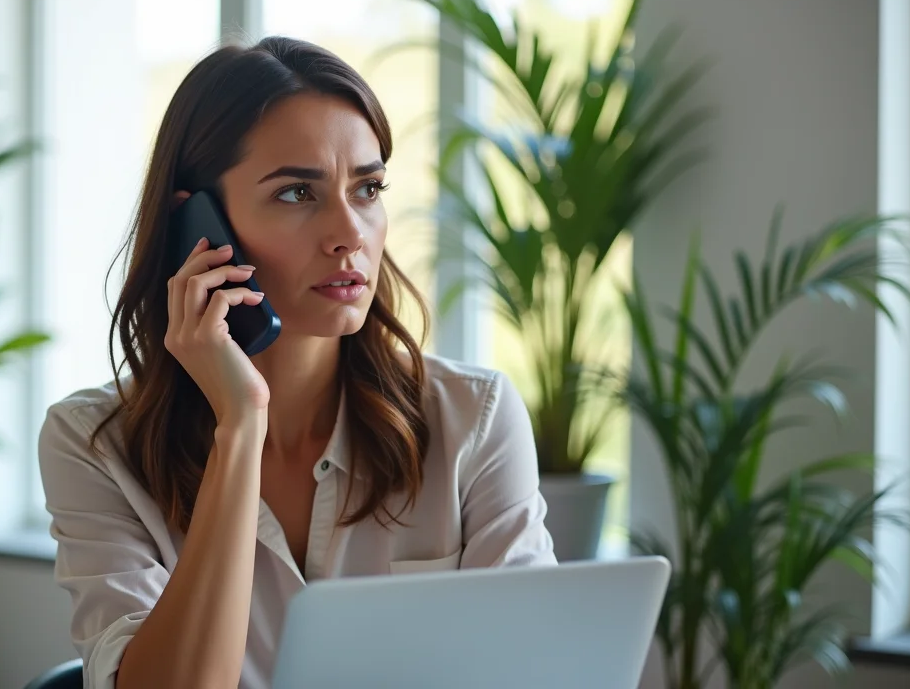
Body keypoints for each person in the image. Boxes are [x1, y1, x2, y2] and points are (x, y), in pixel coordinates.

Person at [38, 36, 556, 689]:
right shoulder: (93, 444)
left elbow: (536, 666)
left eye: (368, 188)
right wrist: (240, 425)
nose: (349, 235)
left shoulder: (471, 418)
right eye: (296, 195)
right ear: (197, 227)